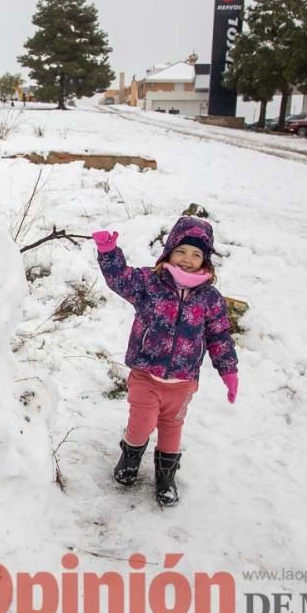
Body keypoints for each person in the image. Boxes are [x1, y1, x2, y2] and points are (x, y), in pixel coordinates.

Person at [93, 216, 238, 507]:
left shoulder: (210, 299)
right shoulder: (149, 283)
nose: (187, 259)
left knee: (172, 428)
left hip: (183, 382)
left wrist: (228, 371)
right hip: (147, 374)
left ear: (206, 261)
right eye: (182, 251)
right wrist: (109, 253)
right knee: (141, 424)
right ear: (169, 251)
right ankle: (130, 458)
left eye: (196, 254)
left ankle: (166, 474)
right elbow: (120, 278)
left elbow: (219, 336)